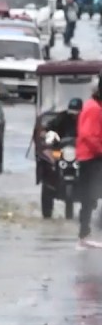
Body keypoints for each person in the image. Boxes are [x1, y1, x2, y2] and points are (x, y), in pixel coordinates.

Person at [76, 74, 102, 248]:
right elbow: (88, 134)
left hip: (90, 156)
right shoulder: (95, 109)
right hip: (91, 157)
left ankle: (87, 232)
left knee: (90, 195)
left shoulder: (92, 106)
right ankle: (85, 233)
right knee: (89, 195)